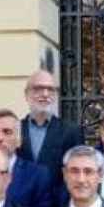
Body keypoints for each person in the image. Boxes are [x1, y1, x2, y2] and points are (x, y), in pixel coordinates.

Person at [18, 69, 84, 198]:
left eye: (51, 89)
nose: (45, 94)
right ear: (26, 94)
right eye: (38, 89)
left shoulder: (71, 132)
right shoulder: (15, 129)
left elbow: (75, 172)